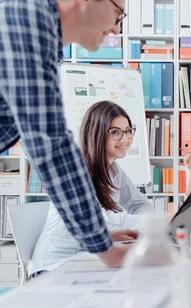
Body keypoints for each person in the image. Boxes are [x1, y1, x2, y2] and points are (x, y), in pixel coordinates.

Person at [0, 0, 135, 269]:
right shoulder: (27, 19)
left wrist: (98, 238)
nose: (118, 30)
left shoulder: (44, 38)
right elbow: (51, 145)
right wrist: (107, 252)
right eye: (118, 14)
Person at [31, 101, 153, 273]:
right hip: (54, 267)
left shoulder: (114, 171)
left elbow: (139, 204)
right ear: (96, 133)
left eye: (128, 131)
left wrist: (141, 228)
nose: (125, 139)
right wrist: (155, 224)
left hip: (86, 257)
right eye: (116, 132)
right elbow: (102, 222)